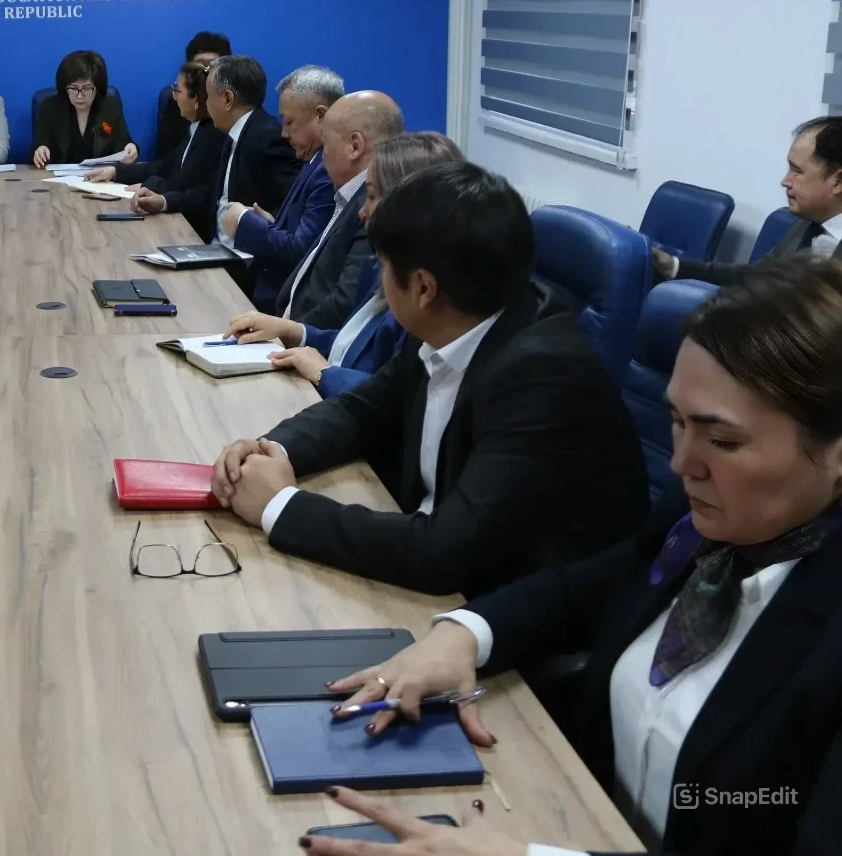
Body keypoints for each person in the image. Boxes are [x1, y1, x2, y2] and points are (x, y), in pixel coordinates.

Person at [318, 258, 842, 856]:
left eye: (723, 440)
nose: (682, 463)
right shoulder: (713, 514)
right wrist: (466, 634)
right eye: (676, 422)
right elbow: (594, 585)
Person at [210, 161, 649, 598]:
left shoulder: (543, 380)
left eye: (383, 266)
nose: (380, 280)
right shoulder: (455, 321)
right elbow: (361, 410)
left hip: (503, 612)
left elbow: (445, 552)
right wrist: (271, 449)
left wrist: (281, 505)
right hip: (437, 574)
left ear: (423, 288)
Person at [271, 132, 464, 395]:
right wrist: (296, 332)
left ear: (407, 207)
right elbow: (353, 346)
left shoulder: (423, 299)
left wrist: (325, 374)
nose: (362, 211)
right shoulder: (381, 267)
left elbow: (396, 400)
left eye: (372, 196)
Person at [226, 90, 403, 337]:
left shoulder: (371, 209)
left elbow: (343, 304)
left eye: (326, 143)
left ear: (355, 146)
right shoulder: (348, 193)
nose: (322, 156)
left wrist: (284, 333)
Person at [654, 116, 842, 284]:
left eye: (797, 171)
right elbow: (757, 277)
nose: (785, 181)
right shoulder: (805, 223)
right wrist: (674, 266)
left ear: (838, 182)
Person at [134, 56, 299, 244]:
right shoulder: (234, 132)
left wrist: (256, 224)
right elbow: (210, 193)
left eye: (208, 95)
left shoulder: (267, 138)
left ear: (228, 99)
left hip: (240, 255)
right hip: (216, 246)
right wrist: (164, 202)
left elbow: (292, 207)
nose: (205, 103)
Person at [223, 65, 344, 310]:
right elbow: (299, 233)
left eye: (289, 122)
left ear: (321, 116)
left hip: (284, 307)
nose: (284, 133)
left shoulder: (329, 170)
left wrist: (244, 221)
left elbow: (301, 252)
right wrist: (271, 224)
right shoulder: (313, 159)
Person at [89, 61, 228, 240]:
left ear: (196, 100)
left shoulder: (211, 136)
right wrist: (116, 171)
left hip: (194, 232)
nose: (174, 97)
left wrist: (148, 185)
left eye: (177, 90)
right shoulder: (197, 129)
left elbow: (188, 188)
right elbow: (164, 166)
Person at [30, 50, 136, 168]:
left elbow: (123, 144)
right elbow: (39, 145)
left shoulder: (110, 106)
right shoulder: (51, 106)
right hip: (59, 177)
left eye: (86, 88)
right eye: (73, 88)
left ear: (98, 87)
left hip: (101, 176)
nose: (79, 96)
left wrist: (131, 149)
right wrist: (40, 150)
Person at [152, 30, 231, 160]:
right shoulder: (176, 99)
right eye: (200, 64)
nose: (206, 71)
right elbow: (166, 156)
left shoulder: (232, 103)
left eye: (212, 65)